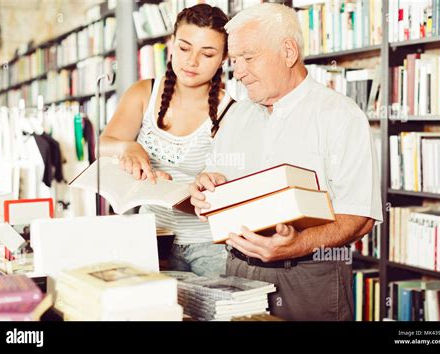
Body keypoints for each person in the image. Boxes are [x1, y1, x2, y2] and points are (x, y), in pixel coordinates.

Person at [189, 3, 383, 320]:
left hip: (307, 279)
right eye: (234, 61)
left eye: (248, 58)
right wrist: (205, 190)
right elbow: (214, 178)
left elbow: (361, 216)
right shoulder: (236, 114)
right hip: (237, 273)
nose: (238, 71)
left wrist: (297, 244)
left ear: (288, 52)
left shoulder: (341, 116)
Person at [100, 4, 234, 276]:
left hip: (209, 244)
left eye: (207, 53)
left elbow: (225, 196)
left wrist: (166, 193)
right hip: (151, 236)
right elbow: (103, 145)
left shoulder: (230, 112)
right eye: (184, 48)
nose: (192, 61)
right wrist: (128, 146)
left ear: (223, 58)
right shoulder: (143, 92)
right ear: (171, 43)